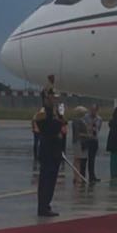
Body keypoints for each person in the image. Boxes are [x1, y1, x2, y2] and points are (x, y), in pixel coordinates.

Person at [32, 84, 67, 217]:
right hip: (48, 151)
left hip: (54, 151)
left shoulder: (53, 112)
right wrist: (59, 123)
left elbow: (61, 123)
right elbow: (48, 130)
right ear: (46, 98)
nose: (55, 99)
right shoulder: (43, 113)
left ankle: (46, 205)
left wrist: (60, 120)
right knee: (46, 180)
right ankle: (43, 207)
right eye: (53, 97)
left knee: (51, 180)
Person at [70, 106, 89, 181]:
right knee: (77, 159)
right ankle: (76, 176)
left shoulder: (81, 120)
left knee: (78, 160)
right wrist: (87, 135)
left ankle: (78, 176)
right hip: (78, 141)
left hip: (81, 142)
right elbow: (78, 133)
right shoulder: (77, 121)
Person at [85, 106, 103, 182]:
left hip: (94, 139)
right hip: (87, 139)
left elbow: (98, 128)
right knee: (84, 159)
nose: (93, 112)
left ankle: (92, 176)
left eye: (95, 110)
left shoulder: (99, 119)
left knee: (92, 159)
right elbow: (85, 127)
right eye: (92, 110)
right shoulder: (86, 117)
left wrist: (93, 128)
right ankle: (82, 176)